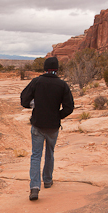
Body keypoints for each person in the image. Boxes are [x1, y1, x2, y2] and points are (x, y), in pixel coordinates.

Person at [19, 56, 74, 201]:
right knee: (50, 152)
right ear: (57, 69)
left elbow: (24, 99)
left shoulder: (37, 82)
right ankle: (48, 180)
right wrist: (58, 116)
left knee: (36, 155)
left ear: (44, 68)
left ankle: (35, 187)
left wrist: (33, 106)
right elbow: (69, 107)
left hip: (38, 124)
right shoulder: (62, 85)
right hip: (53, 126)